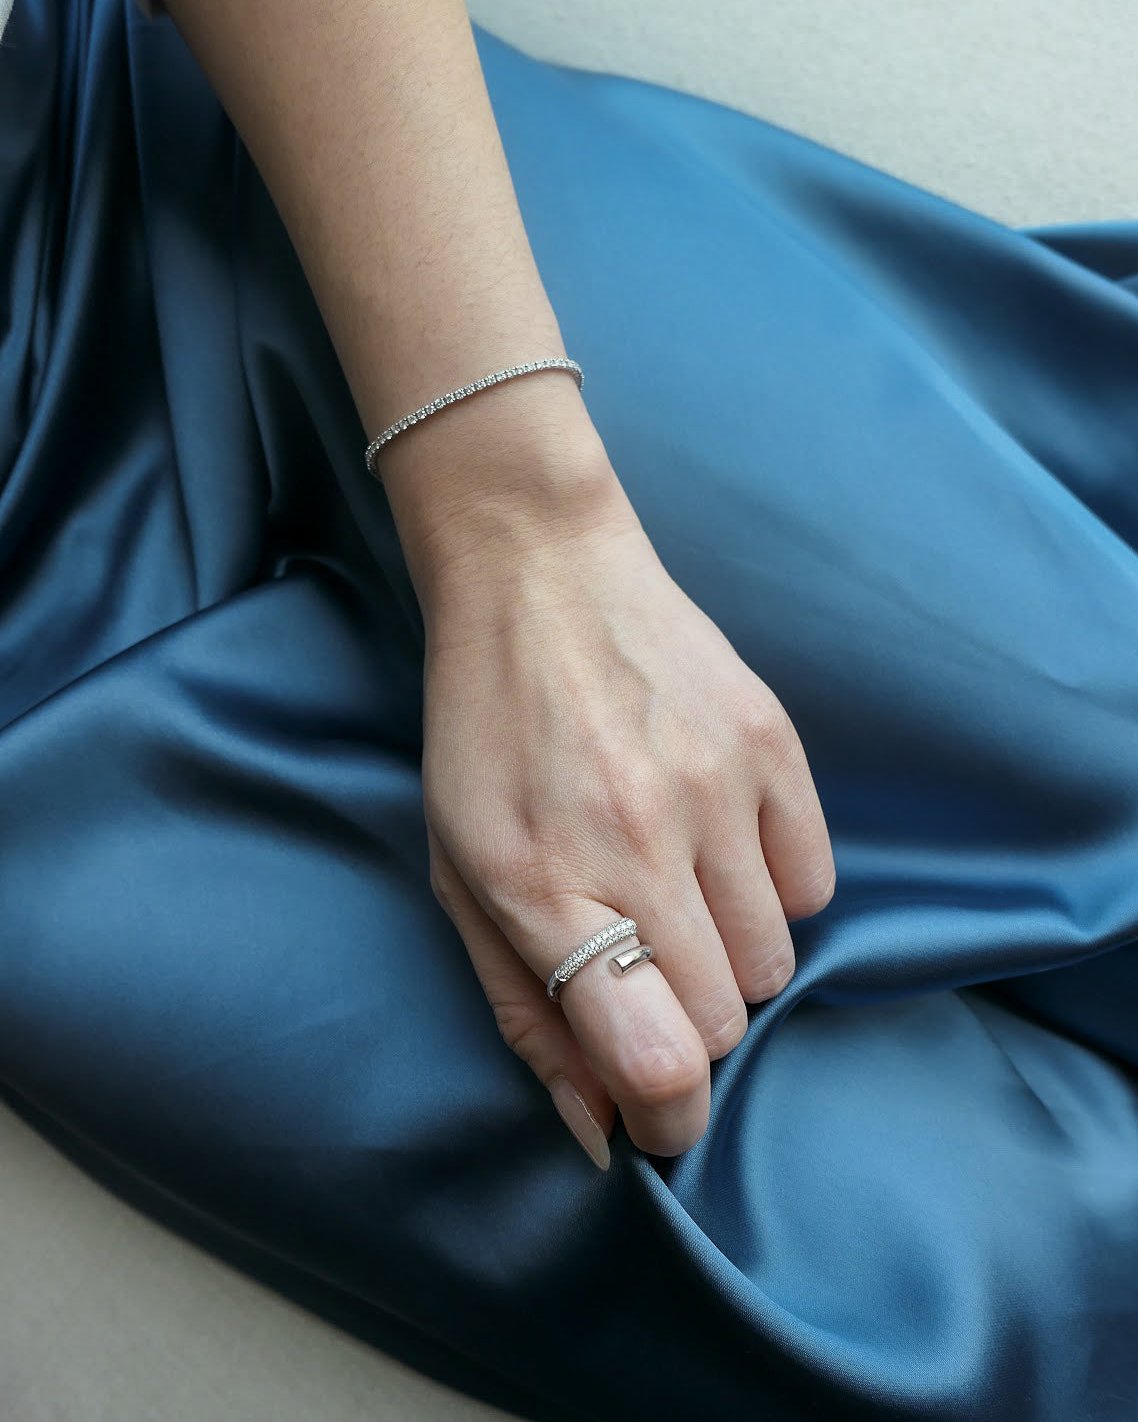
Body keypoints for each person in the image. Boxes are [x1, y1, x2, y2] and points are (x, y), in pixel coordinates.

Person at [2, 0, 1137, 1418]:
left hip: (170, 174)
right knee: (950, 1317)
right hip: (30, 740)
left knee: (1102, 728)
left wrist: (517, 516)